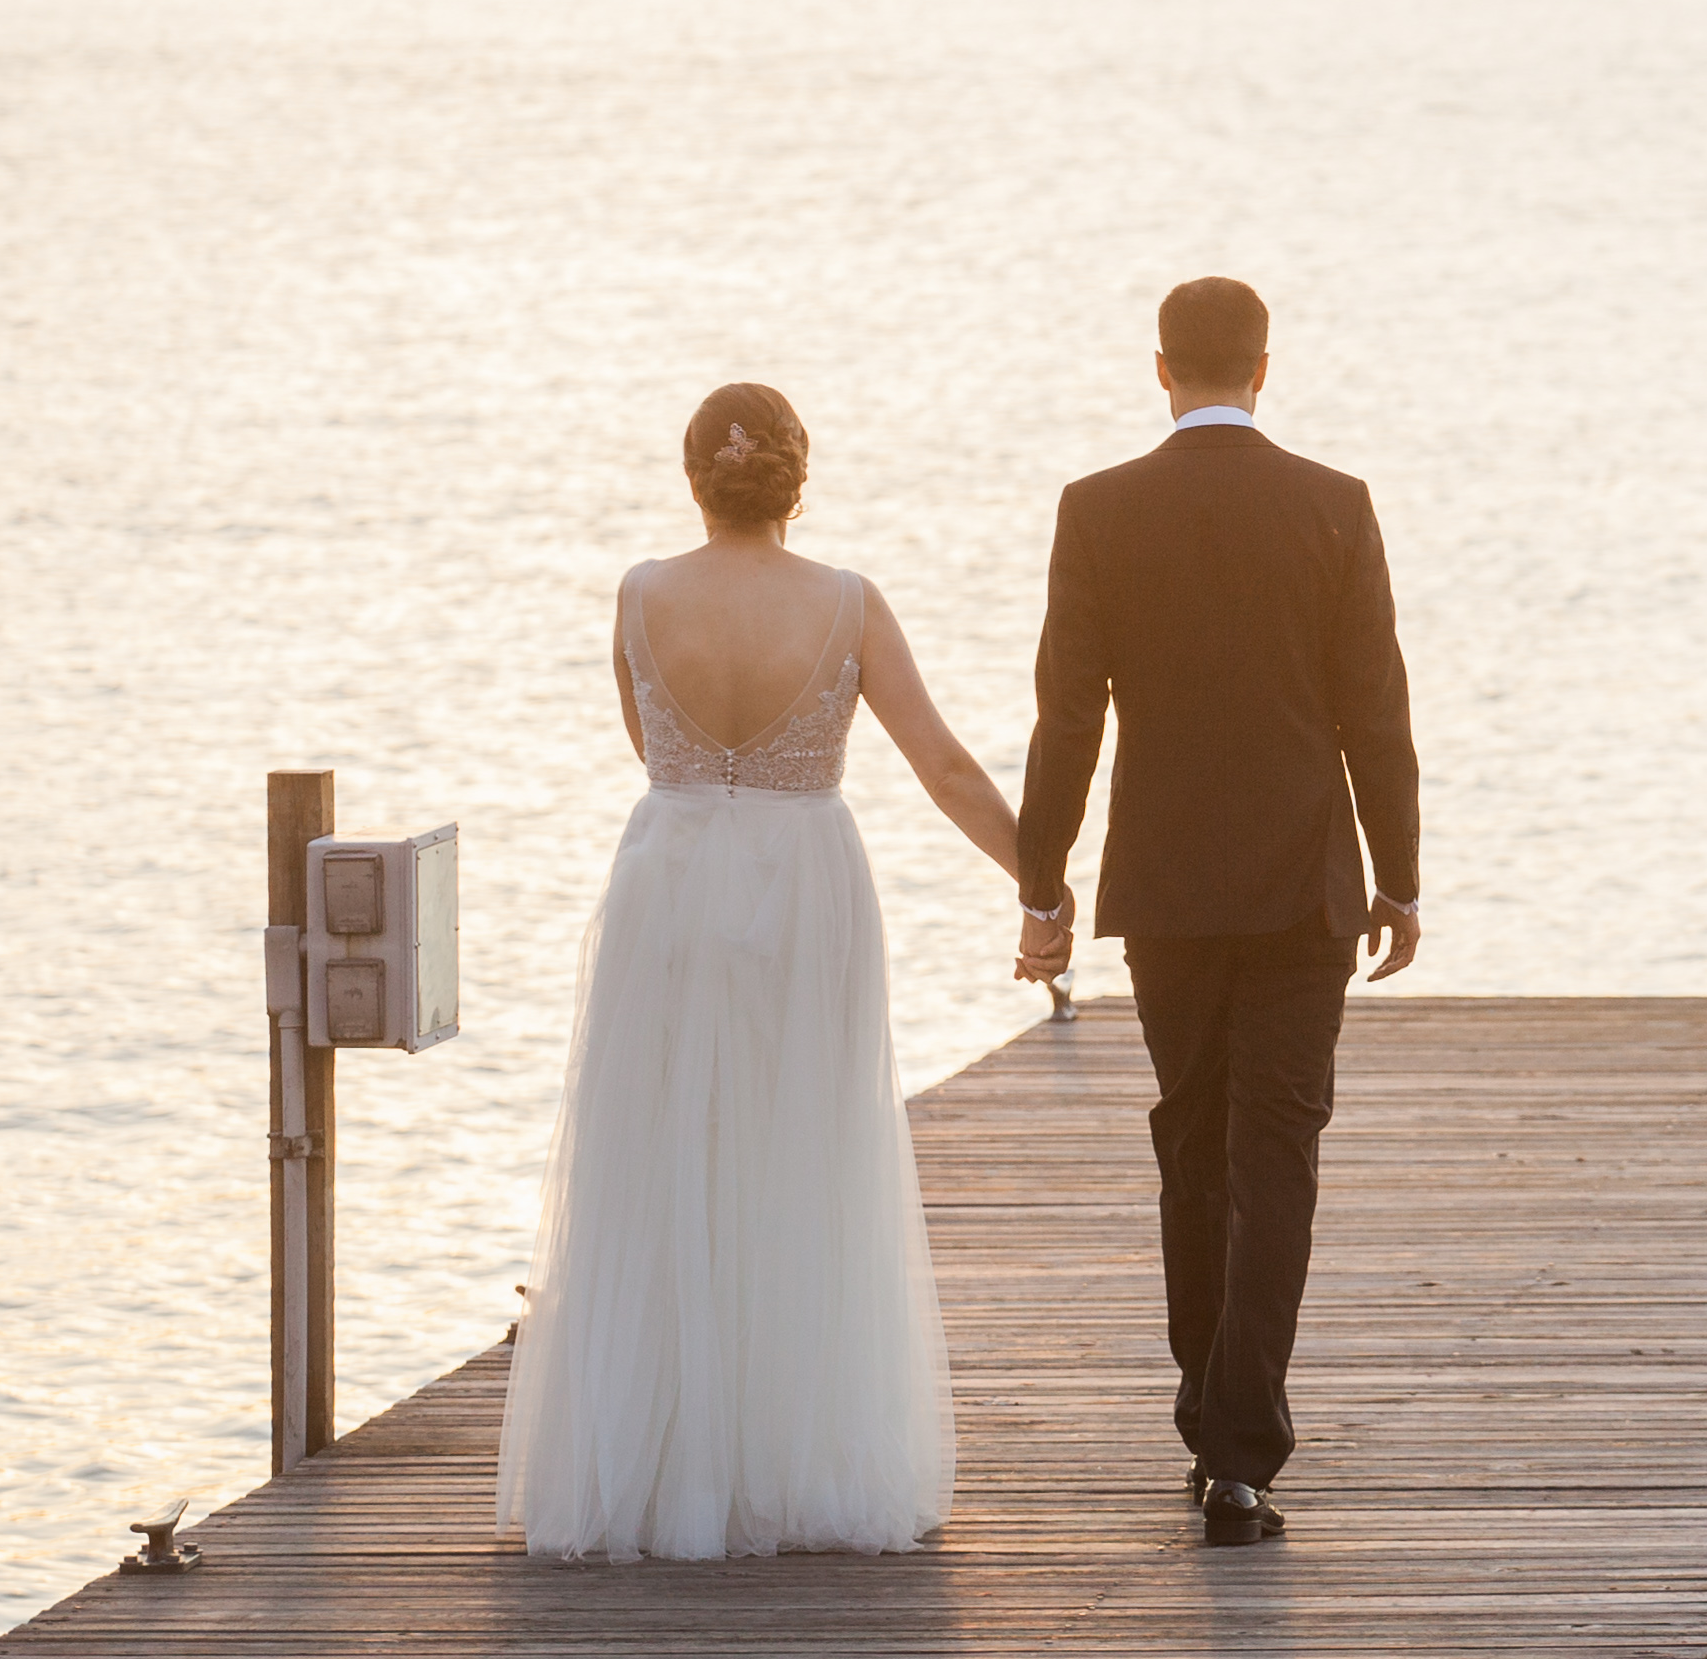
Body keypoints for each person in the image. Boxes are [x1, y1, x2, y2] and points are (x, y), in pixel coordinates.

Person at [500, 382, 1024, 1562]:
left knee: (662, 1152)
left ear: (696, 477)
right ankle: (796, 1456)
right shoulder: (846, 604)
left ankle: (666, 1468)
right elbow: (940, 763)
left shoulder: (641, 593)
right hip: (804, 883)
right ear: (798, 478)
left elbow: (649, 744)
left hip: (672, 873)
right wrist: (1039, 881)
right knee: (805, 1149)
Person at [1016, 277, 1423, 1549]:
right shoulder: (1334, 507)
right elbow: (1377, 710)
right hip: (1306, 887)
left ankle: (1210, 1414)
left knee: (1191, 1146)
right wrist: (1399, 876)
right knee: (1276, 1158)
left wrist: (1044, 882)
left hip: (1169, 891)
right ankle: (1240, 1456)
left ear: (1160, 371)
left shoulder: (1098, 511)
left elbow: (1066, 716)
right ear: (1263, 367)